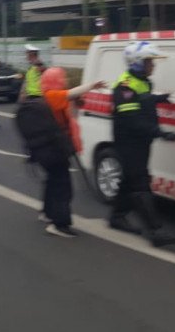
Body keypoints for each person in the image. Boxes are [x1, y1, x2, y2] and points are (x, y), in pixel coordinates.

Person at [108, 41, 175, 247]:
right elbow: (133, 120)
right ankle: (155, 231)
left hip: (141, 141)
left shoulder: (142, 81)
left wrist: (160, 99)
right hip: (129, 143)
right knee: (141, 182)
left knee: (129, 179)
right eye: (149, 61)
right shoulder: (125, 87)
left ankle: (117, 217)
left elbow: (143, 101)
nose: (153, 65)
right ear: (137, 63)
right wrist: (160, 133)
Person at [39, 67, 107, 238]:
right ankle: (59, 224)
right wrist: (91, 85)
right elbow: (70, 94)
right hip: (55, 149)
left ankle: (47, 213)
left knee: (53, 182)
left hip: (50, 148)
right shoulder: (52, 95)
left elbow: (72, 117)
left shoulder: (52, 96)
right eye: (62, 78)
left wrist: (76, 103)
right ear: (55, 81)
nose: (65, 81)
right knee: (63, 186)